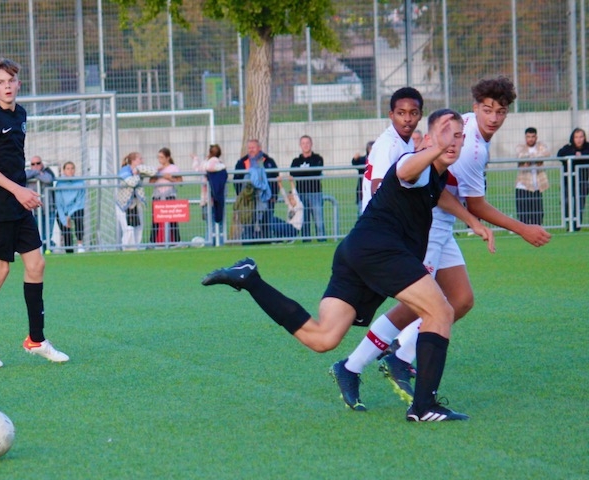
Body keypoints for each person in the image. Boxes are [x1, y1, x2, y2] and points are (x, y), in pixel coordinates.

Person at [203, 110, 495, 422]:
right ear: (426, 139)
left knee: (323, 338)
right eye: (444, 133)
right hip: (381, 250)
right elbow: (408, 170)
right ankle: (424, 407)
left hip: (355, 250)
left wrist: (471, 220)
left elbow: (438, 196)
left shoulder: (434, 176)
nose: (452, 141)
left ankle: (250, 279)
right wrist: (436, 148)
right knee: (441, 311)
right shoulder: (416, 163)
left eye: (458, 135)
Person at [332, 76, 552, 411]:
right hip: (428, 223)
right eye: (487, 109)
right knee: (420, 304)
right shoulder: (471, 147)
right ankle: (356, 365)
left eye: (500, 111)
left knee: (461, 299)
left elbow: (444, 188)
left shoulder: (467, 129)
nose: (493, 117)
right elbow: (473, 202)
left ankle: (400, 356)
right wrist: (521, 229)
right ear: (475, 107)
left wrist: (471, 222)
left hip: (443, 222)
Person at [0, 58, 69, 369]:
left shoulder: (21, 114)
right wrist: (18, 190)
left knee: (36, 264)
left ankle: (36, 339)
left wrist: (23, 191)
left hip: (19, 204)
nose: (7, 86)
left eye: (11, 81)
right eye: (1, 82)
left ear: (18, 84)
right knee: (0, 270)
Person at [361, 87, 424, 214]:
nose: (407, 119)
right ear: (391, 115)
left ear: (420, 115)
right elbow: (377, 189)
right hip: (381, 219)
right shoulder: (389, 145)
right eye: (401, 113)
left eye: (413, 113)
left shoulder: (407, 141)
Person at [235, 139, 278, 237]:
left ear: (259, 148)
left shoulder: (268, 161)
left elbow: (275, 178)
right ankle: (249, 240)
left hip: (266, 197)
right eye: (249, 148)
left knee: (266, 221)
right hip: (248, 200)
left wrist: (274, 195)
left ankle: (266, 240)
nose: (251, 150)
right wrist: (241, 195)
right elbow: (236, 179)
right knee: (248, 221)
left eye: (253, 147)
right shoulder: (242, 162)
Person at [288, 135, 325, 241]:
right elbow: (293, 173)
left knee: (318, 219)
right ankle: (306, 240)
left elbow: (316, 172)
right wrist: (308, 171)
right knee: (304, 220)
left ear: (311, 144)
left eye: (307, 143)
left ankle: (322, 239)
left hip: (315, 193)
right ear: (300, 145)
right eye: (303, 143)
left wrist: (302, 172)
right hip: (301, 194)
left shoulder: (318, 158)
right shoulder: (296, 161)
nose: (305, 145)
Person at [116, 151, 154, 249]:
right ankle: (127, 248)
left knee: (139, 227)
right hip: (124, 204)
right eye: (140, 159)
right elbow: (131, 182)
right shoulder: (125, 170)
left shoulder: (139, 169)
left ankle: (136, 247)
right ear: (133, 161)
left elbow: (153, 171)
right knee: (128, 228)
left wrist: (138, 169)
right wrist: (137, 175)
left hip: (136, 203)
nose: (142, 161)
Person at [515, 127, 550, 226]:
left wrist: (530, 159)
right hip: (523, 186)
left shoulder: (541, 146)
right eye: (528, 137)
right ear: (525, 137)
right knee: (523, 217)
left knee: (537, 216)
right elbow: (521, 156)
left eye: (533, 136)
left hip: (537, 186)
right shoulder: (520, 147)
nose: (530, 139)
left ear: (536, 137)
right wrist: (535, 159)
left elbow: (546, 153)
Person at [558, 128, 589, 231]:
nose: (579, 140)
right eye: (576, 137)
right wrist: (574, 154)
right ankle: (569, 222)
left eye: (581, 137)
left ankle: (576, 225)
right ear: (573, 138)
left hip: (582, 181)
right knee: (566, 202)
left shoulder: (587, 147)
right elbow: (560, 154)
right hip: (568, 181)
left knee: (579, 203)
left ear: (584, 138)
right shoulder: (568, 148)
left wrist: (582, 156)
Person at [193, 145, 228, 237]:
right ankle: (215, 241)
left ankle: (213, 241)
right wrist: (223, 166)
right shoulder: (214, 163)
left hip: (209, 199)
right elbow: (207, 167)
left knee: (211, 225)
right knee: (214, 225)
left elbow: (200, 168)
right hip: (210, 199)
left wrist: (195, 159)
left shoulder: (211, 162)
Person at [150, 147, 183, 244]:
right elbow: (151, 182)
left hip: (169, 195)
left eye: (162, 157)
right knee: (156, 219)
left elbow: (180, 182)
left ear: (168, 158)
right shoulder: (157, 169)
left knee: (172, 219)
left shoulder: (174, 168)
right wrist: (155, 174)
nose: (160, 160)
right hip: (158, 196)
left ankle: (176, 241)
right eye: (158, 157)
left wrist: (170, 178)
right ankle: (153, 242)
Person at [54, 161, 86, 253]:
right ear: (64, 171)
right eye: (68, 169)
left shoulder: (80, 182)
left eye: (72, 168)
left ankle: (80, 245)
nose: (70, 170)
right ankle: (69, 250)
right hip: (63, 210)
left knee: (79, 216)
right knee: (65, 228)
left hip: (76, 209)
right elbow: (59, 204)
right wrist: (64, 220)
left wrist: (69, 215)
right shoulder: (59, 184)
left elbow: (79, 202)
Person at [26, 156, 56, 249]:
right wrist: (37, 172)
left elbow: (48, 179)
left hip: (48, 209)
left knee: (48, 234)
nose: (35, 165)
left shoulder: (48, 171)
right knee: (36, 235)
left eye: (38, 163)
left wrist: (35, 174)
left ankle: (48, 250)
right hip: (33, 211)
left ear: (42, 164)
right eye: (33, 164)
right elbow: (24, 176)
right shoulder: (28, 172)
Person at [351, 141, 373, 210]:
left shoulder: (379, 159)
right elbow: (354, 163)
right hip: (362, 190)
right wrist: (355, 159)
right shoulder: (363, 159)